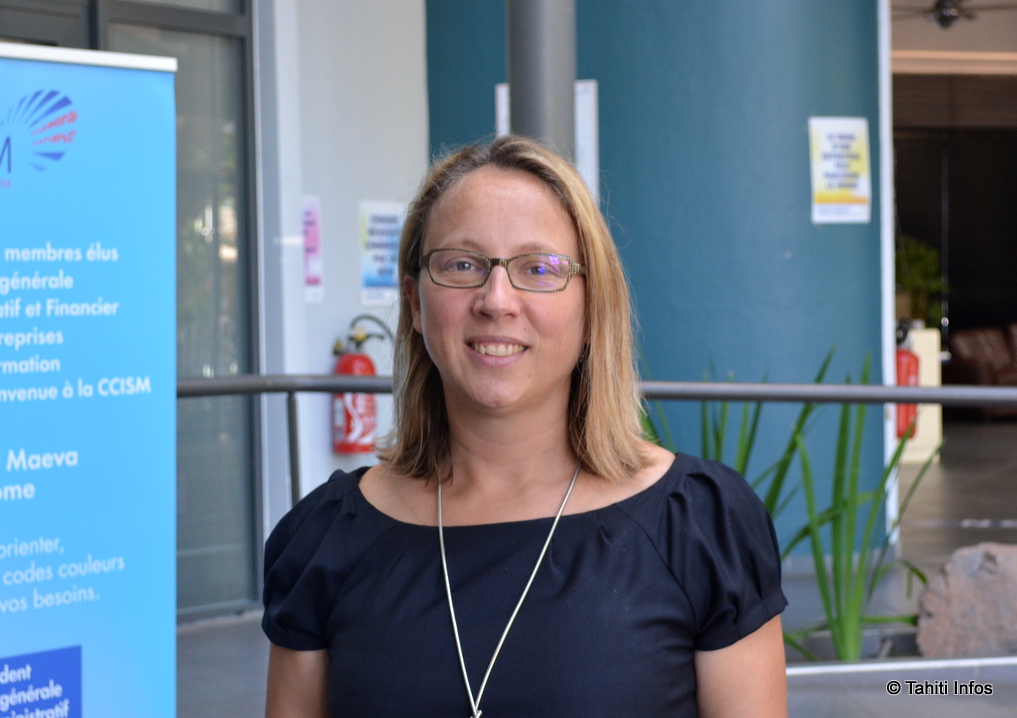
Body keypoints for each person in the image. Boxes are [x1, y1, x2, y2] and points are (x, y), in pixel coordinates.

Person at [262, 135, 788, 717]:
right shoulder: (324, 539)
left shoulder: (699, 529)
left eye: (539, 268)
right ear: (414, 302)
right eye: (462, 264)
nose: (496, 300)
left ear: (592, 305)